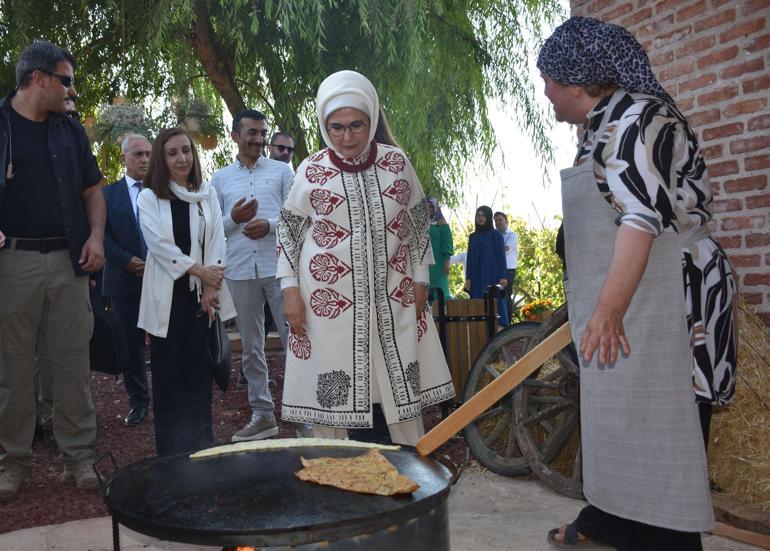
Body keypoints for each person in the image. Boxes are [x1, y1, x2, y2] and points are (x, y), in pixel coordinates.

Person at [538, 17, 737, 550]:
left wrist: (607, 310)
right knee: (622, 424)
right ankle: (613, 522)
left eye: (548, 82)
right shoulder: (601, 124)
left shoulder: (636, 121)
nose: (546, 93)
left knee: (664, 425)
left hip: (670, 300)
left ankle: (669, 540)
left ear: (574, 82)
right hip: (636, 295)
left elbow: (641, 219)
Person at [276, 70, 455, 445]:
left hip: (394, 296)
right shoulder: (311, 170)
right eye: (336, 127)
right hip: (327, 304)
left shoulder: (397, 163)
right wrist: (289, 291)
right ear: (325, 127)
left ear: (371, 119)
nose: (346, 136)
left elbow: (419, 224)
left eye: (356, 125)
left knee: (392, 385)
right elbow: (289, 233)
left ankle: (405, 469)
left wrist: (421, 278)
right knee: (336, 387)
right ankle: (337, 478)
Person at [0, 40, 106, 499]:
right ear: (37, 78)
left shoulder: (70, 131)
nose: (72, 92)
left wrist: (97, 238)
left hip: (68, 263)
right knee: (12, 370)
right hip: (11, 265)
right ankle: (14, 464)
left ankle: (79, 459)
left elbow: (93, 191)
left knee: (71, 364)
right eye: (66, 81)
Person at [137, 127, 236, 456]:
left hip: (201, 299)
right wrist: (200, 271)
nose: (181, 158)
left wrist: (211, 284)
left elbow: (218, 238)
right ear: (161, 160)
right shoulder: (149, 197)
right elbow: (160, 246)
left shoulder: (206, 193)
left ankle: (201, 451)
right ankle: (169, 457)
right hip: (167, 300)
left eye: (186, 151)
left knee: (198, 376)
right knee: (168, 379)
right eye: (172, 153)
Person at [211, 110, 292, 442]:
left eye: (262, 133)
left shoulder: (283, 172)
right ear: (235, 136)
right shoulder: (220, 179)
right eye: (252, 133)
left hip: (280, 268)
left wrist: (270, 226)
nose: (259, 139)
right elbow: (214, 228)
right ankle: (262, 415)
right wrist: (233, 219)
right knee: (252, 347)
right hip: (240, 269)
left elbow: (299, 217)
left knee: (295, 341)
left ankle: (307, 415)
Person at [102, 134, 152, 427]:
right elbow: (102, 237)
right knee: (131, 346)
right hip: (123, 281)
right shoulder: (107, 195)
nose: (144, 159)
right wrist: (127, 260)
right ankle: (138, 402)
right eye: (137, 154)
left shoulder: (163, 192)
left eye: (147, 153)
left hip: (160, 280)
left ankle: (170, 395)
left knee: (164, 342)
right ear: (123, 159)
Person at [465, 206, 508, 326]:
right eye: (478, 215)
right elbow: (470, 257)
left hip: (492, 275)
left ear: (488, 217)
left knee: (495, 303)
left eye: (483, 215)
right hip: (476, 276)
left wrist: (503, 277)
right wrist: (468, 277)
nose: (480, 218)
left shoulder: (495, 235)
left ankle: (500, 331)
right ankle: (479, 330)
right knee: (478, 303)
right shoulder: (473, 236)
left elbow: (501, 257)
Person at [426, 197, 454, 300]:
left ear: (435, 208)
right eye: (426, 206)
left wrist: (447, 262)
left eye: (431, 206)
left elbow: (447, 244)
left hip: (439, 262)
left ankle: (441, 312)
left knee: (439, 290)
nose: (428, 209)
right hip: (425, 263)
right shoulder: (421, 225)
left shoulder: (443, 225)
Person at [494, 211, 518, 322]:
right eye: (496, 220)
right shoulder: (493, 236)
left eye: (500, 220)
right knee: (496, 295)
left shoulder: (511, 235)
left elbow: (506, 249)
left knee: (506, 296)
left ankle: (507, 323)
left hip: (508, 270)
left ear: (506, 222)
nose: (498, 223)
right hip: (496, 269)